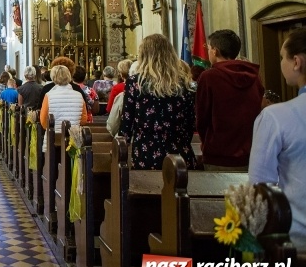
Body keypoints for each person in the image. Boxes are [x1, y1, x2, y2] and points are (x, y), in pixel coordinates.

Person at [249, 27, 306, 252]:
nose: (281, 62)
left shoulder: (276, 117)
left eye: (282, 57)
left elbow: (260, 189)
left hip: (296, 240)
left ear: (296, 62)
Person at [119, 34, 197, 170]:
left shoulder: (136, 82)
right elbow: (190, 122)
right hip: (179, 153)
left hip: (146, 153)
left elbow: (127, 122)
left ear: (144, 55)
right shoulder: (184, 83)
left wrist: (120, 149)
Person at [196, 29, 264, 170]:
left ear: (215, 51)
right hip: (249, 152)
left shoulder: (209, 77)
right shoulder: (254, 76)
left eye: (208, 48)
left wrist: (206, 142)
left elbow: (202, 117)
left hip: (218, 154)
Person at [40, 65, 87, 152]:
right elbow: (84, 119)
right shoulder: (78, 95)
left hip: (53, 140)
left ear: (53, 77)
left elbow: (43, 121)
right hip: (74, 141)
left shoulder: (49, 96)